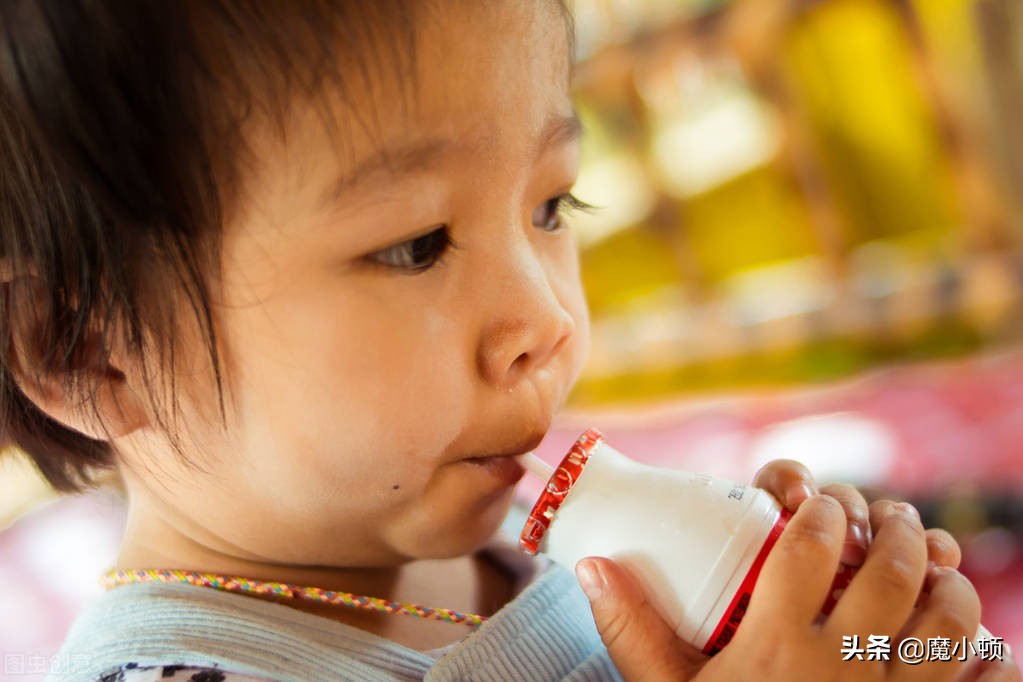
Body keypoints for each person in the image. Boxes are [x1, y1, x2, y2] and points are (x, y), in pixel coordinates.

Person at [0, 1, 1017, 681]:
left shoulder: (507, 539)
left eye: (551, 202)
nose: (547, 319)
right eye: (415, 245)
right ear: (93, 352)